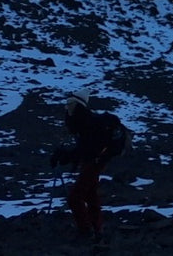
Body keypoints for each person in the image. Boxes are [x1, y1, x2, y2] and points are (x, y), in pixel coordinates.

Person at [50, 89, 118, 241]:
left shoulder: (86, 123)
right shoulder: (87, 122)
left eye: (70, 104)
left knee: (75, 197)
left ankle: (86, 231)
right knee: (90, 194)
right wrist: (67, 155)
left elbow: (86, 149)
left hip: (93, 163)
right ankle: (96, 229)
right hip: (95, 162)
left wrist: (66, 156)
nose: (68, 108)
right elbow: (84, 149)